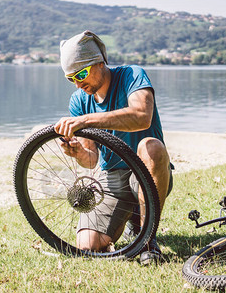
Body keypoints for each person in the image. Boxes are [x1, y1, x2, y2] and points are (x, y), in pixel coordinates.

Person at [54, 30, 172, 265]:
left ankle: (148, 240)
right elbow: (91, 159)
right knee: (88, 246)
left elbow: (142, 116)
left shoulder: (132, 75)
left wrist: (86, 121)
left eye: (82, 73)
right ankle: (132, 219)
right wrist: (78, 153)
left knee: (152, 146)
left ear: (100, 62)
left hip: (146, 170)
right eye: (71, 78)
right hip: (112, 177)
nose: (78, 83)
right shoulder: (79, 101)